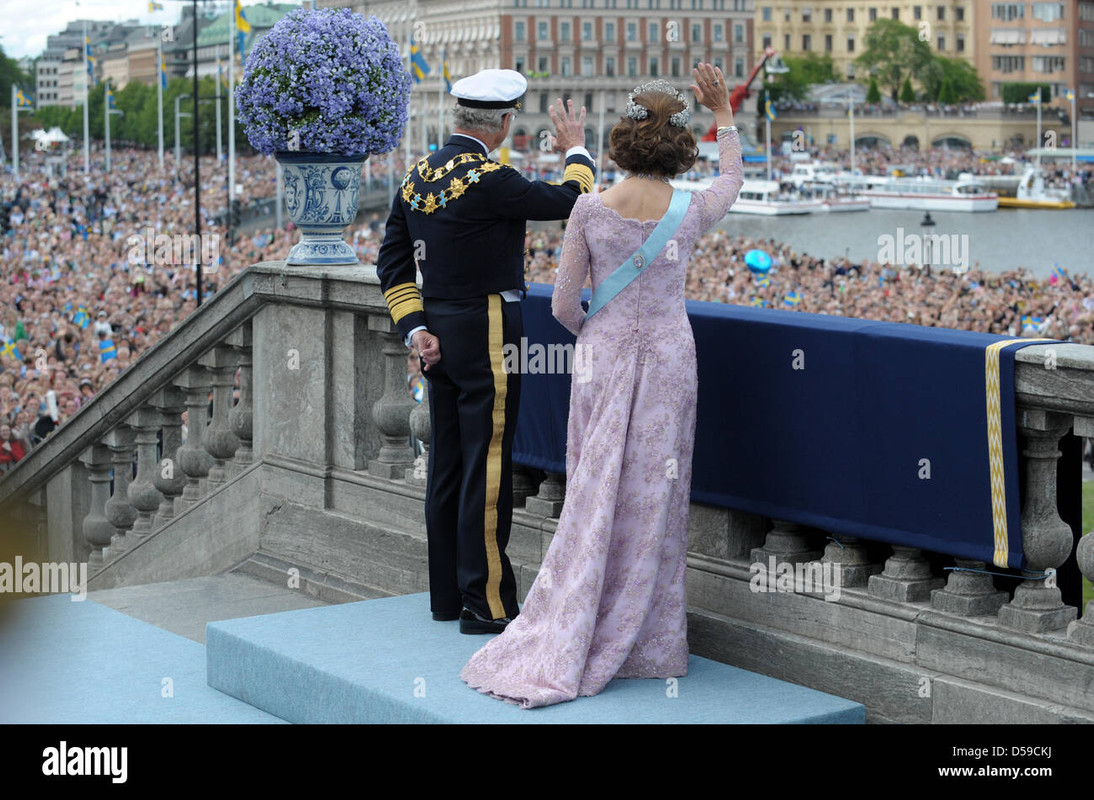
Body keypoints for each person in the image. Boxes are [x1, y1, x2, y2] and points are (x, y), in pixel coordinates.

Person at [461, 64, 743, 706]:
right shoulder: (693, 208)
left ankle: (574, 621)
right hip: (670, 357)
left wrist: (601, 328)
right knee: (655, 499)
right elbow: (733, 179)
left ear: (621, 142)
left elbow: (562, 305)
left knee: (593, 487)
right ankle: (650, 643)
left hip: (602, 355)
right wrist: (723, 110)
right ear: (680, 148)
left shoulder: (588, 208)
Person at [375, 69, 596, 634]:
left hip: (437, 332)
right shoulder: (490, 178)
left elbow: (392, 266)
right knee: (490, 462)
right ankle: (487, 602)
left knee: (446, 463)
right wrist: (576, 147)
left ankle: (448, 595)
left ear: (457, 117)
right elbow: (574, 201)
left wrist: (414, 328)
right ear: (502, 122)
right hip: (488, 325)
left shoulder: (417, 176)